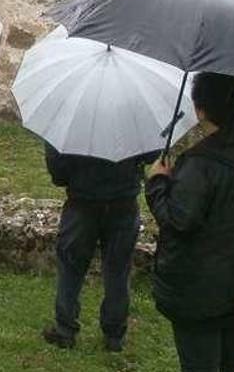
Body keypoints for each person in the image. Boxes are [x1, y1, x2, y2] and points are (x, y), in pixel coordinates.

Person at [144, 73, 234, 372]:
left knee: (201, 361)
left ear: (200, 109)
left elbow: (179, 220)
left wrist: (156, 183)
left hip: (200, 287)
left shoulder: (201, 164)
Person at [40, 148, 159, 352]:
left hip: (82, 202)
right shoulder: (131, 118)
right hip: (123, 202)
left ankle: (65, 329)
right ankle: (114, 335)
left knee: (71, 267)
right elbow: (149, 155)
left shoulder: (70, 120)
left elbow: (58, 173)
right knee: (118, 271)